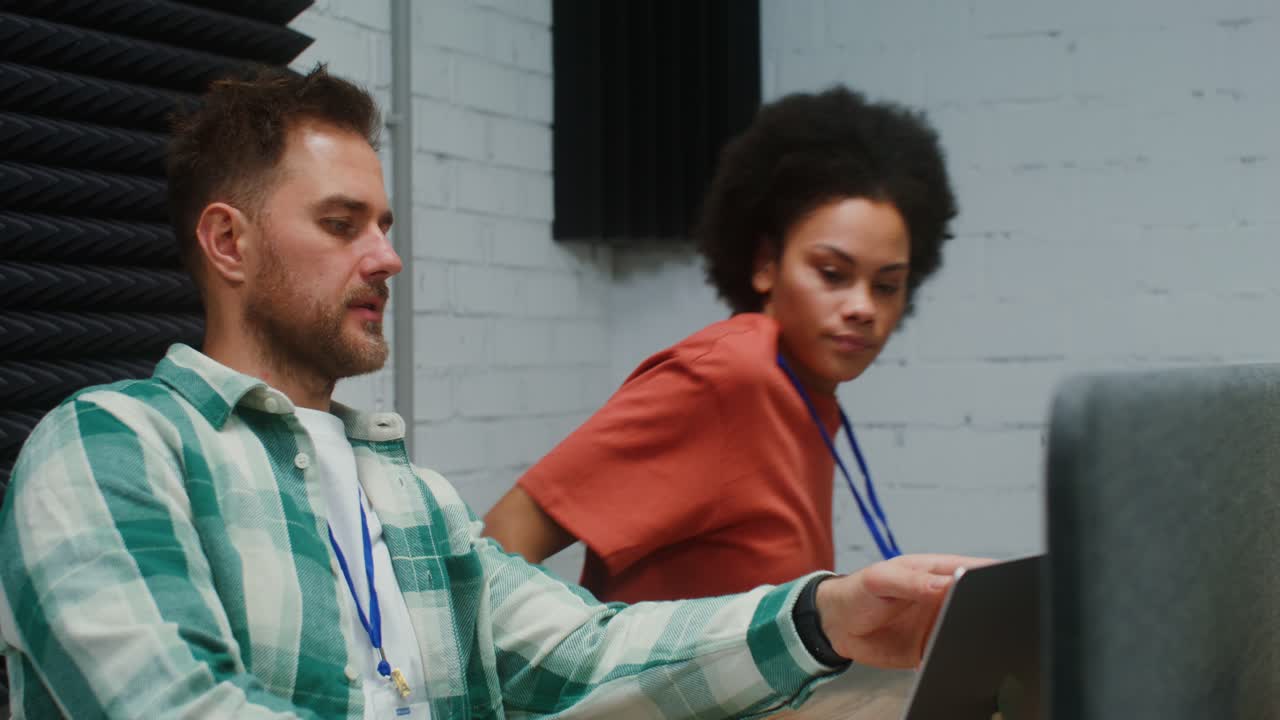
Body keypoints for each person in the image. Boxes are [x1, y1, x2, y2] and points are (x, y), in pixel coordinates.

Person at [0, 65, 979, 719]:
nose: (386, 257)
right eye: (343, 225)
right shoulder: (107, 451)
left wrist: (822, 617)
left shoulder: (410, 498)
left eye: (383, 224)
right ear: (228, 243)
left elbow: (589, 653)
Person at [483, 87, 959, 604]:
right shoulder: (729, 377)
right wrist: (551, 666)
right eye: (832, 273)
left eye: (886, 285)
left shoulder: (804, 389)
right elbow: (504, 538)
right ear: (764, 264)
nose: (863, 306)